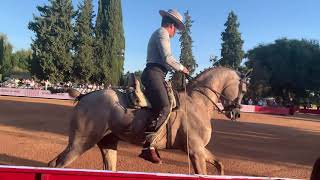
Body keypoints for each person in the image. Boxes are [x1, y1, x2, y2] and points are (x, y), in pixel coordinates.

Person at [138, 9, 189, 164]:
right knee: (165, 106)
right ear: (171, 26)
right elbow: (167, 58)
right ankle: (148, 146)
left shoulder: (161, 33)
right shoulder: (163, 33)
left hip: (158, 74)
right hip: (154, 74)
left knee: (171, 102)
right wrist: (182, 68)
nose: (176, 33)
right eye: (177, 30)